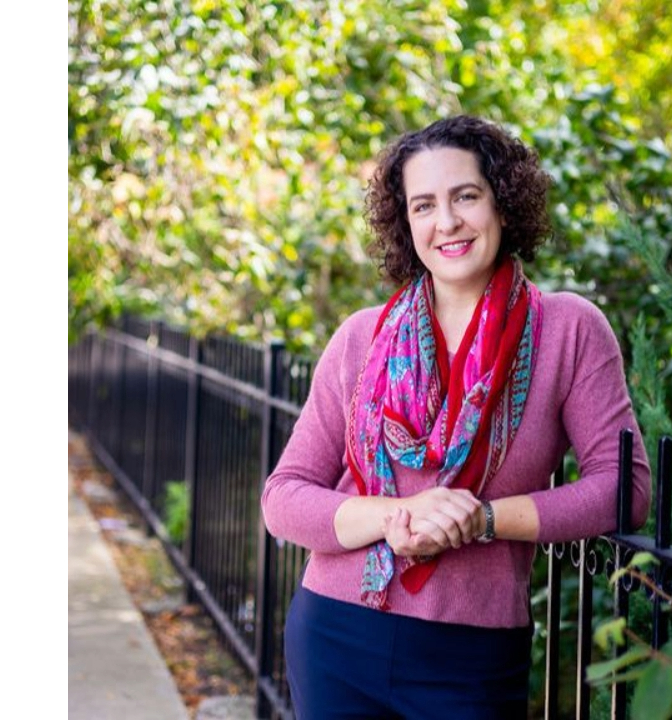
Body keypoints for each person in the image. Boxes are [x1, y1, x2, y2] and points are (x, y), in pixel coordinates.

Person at [260, 114, 651, 719]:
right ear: (406, 222)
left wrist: (483, 519)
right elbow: (283, 497)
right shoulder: (362, 337)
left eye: (465, 196)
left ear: (503, 204)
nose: (446, 222)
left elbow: (625, 489)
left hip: (474, 657)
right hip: (335, 637)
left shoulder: (569, 330)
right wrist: (398, 515)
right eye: (423, 205)